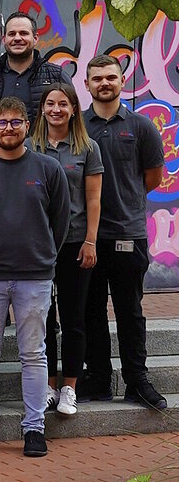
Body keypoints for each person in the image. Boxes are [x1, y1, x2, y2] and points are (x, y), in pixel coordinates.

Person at [0, 97, 70, 457]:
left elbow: (61, 222)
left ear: (28, 125)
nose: (9, 128)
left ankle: (34, 428)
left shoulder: (48, 168)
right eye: (2, 122)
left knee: (34, 353)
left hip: (34, 275)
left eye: (15, 122)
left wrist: (44, 256)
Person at [82, 55, 168, 409]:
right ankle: (98, 379)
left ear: (121, 81)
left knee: (130, 311)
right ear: (86, 84)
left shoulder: (142, 127)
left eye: (111, 77)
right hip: (84, 237)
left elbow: (153, 178)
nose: (104, 83)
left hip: (127, 234)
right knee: (90, 311)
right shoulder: (77, 126)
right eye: (97, 78)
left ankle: (137, 381)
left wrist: (125, 200)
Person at [30, 83, 102, 417]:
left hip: (75, 242)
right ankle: (47, 385)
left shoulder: (88, 148)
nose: (56, 109)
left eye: (63, 104)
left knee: (73, 318)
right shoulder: (30, 146)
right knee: (42, 318)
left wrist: (90, 240)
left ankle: (69, 386)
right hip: (38, 244)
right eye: (50, 104)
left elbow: (93, 198)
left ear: (74, 109)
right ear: (42, 109)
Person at [0, 12, 69, 122]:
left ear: (35, 38)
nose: (17, 38)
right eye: (12, 34)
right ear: (4, 40)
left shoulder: (56, 75)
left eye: (23, 33)